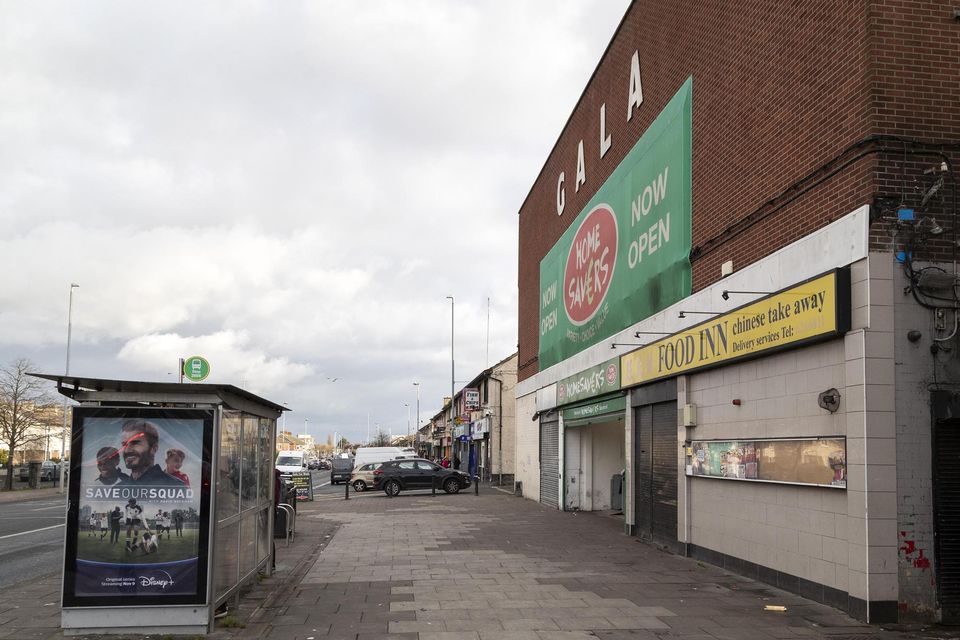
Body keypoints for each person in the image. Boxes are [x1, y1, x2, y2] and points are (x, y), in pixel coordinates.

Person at [118, 420, 186, 486]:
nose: (127, 450)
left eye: (135, 443)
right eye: (124, 445)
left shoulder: (175, 486)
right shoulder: (117, 489)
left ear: (153, 449)